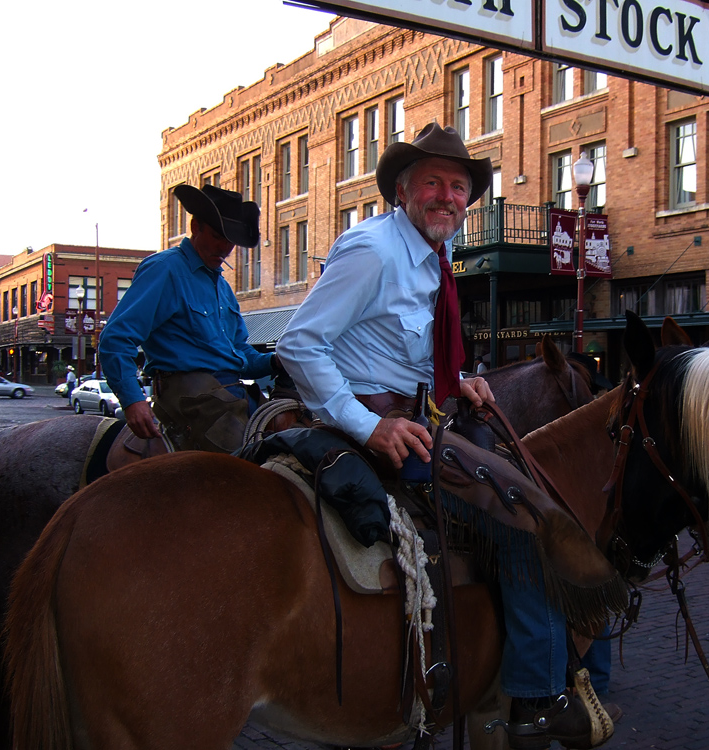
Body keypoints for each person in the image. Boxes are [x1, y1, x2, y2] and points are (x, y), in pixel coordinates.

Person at [277, 123, 615, 749]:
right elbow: (300, 343)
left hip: (425, 413)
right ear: (403, 190)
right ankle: (537, 698)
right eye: (433, 182)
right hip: (378, 431)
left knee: (520, 476)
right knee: (523, 518)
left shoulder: (429, 259)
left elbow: (398, 348)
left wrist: (458, 381)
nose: (448, 197)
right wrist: (370, 425)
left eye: (459, 187)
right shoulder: (373, 249)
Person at [99, 185, 280, 452]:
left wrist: (276, 361)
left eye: (231, 241)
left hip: (230, 393)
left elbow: (240, 354)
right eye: (218, 236)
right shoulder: (165, 269)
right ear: (196, 226)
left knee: (293, 439)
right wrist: (132, 400)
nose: (225, 248)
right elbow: (116, 338)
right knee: (247, 467)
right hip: (189, 397)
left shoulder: (222, 287)